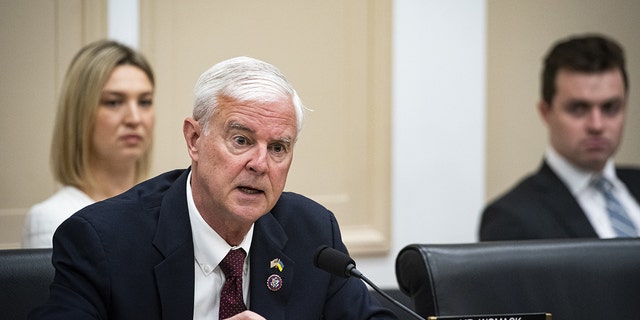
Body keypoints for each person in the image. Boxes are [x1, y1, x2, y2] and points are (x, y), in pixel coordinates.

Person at [29, 56, 397, 319]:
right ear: (194, 139)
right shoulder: (104, 240)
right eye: (240, 140)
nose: (260, 164)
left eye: (278, 148)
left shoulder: (314, 234)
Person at [480, 34, 640, 241]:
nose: (597, 125)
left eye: (610, 108)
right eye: (578, 109)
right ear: (546, 112)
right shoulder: (510, 217)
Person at [21, 40, 156, 248]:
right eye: (113, 102)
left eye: (144, 101)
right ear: (80, 112)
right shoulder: (53, 219)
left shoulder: (167, 208)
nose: (135, 118)